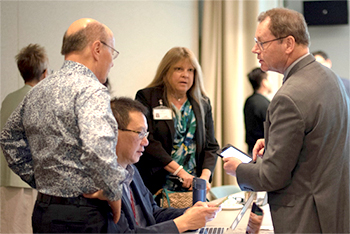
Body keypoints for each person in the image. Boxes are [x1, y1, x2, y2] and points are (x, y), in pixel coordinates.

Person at [223, 8, 349, 233]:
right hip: (334, 210)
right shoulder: (332, 78)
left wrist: (238, 169)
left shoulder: (289, 96)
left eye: (261, 42)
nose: (255, 49)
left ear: (288, 43)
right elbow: (319, 142)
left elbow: (272, 176)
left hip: (306, 217)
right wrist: (273, 142)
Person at [0, 18, 126, 233]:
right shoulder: (91, 89)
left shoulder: (39, 90)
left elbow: (9, 139)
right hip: (83, 213)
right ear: (97, 48)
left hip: (44, 210)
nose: (112, 62)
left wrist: (41, 179)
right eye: (111, 52)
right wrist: (112, 191)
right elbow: (97, 145)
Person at [104, 97, 220, 233]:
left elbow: (153, 213)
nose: (146, 142)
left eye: (146, 134)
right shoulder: (101, 183)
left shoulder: (132, 171)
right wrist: (182, 223)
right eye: (140, 133)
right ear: (114, 132)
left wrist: (190, 213)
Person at [135, 47, 219, 197]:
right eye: (178, 69)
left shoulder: (202, 104)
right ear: (166, 71)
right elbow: (149, 141)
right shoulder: (148, 97)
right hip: (157, 186)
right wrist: (179, 171)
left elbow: (211, 146)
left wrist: (204, 178)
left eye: (190, 70)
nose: (185, 75)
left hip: (192, 187)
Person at [0, 44, 49, 233]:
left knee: (7, 226)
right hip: (27, 181)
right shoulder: (39, 100)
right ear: (45, 73)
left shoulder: (8, 99)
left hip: (5, 178)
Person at [243, 67, 271, 155]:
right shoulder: (265, 104)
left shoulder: (249, 101)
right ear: (264, 82)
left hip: (252, 150)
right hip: (263, 152)